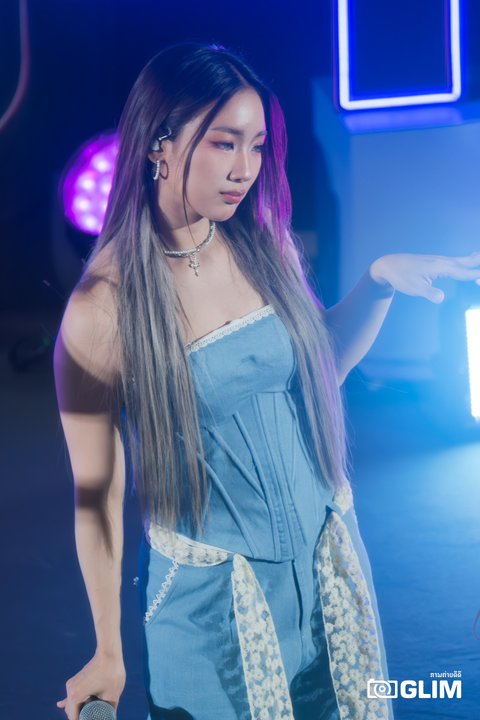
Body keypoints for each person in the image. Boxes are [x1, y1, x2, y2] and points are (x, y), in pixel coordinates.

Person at [53, 41, 480, 720]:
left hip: (326, 572)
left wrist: (377, 283)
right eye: (224, 143)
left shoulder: (263, 243)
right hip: (211, 608)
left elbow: (316, 375)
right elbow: (95, 495)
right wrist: (109, 648)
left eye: (256, 147)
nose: (245, 170)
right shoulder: (103, 308)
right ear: (159, 144)